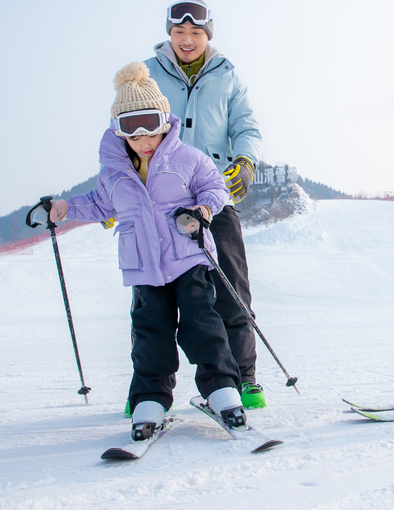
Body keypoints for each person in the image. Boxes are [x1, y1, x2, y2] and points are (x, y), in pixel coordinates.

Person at [49, 62, 247, 439]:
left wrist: (204, 210)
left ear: (164, 121)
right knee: (149, 333)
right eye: (131, 130)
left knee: (202, 323)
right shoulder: (114, 172)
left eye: (151, 127)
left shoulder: (188, 158)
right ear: (118, 130)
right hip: (143, 266)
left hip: (188, 258)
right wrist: (65, 208)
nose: (143, 140)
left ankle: (222, 390)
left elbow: (215, 188)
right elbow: (100, 203)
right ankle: (150, 400)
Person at [138, 0, 265, 411]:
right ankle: (151, 390)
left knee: (230, 287)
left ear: (207, 34)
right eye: (179, 32)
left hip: (216, 194)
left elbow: (246, 126)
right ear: (169, 34)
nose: (187, 40)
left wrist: (245, 161)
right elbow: (127, 132)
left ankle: (243, 378)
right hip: (160, 201)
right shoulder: (146, 75)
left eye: (195, 32)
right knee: (156, 296)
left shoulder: (227, 75)